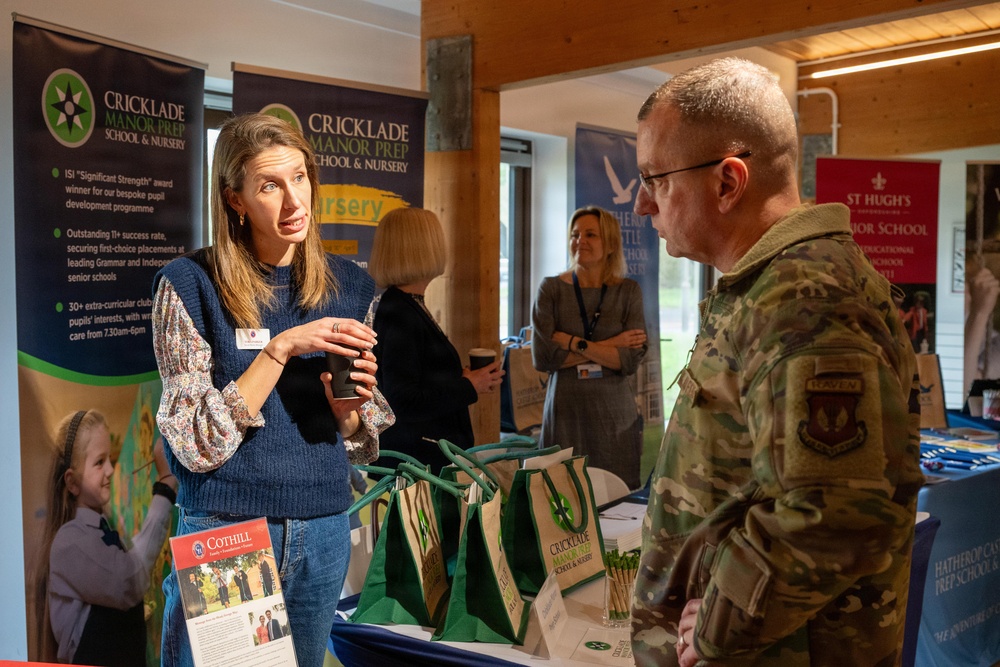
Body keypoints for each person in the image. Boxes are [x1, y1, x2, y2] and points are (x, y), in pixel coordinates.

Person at [630, 57, 922, 667]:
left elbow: (836, 510)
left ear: (728, 182)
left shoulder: (804, 300)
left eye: (655, 179)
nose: (642, 206)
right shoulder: (767, 288)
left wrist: (716, 622)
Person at [153, 113, 393, 667]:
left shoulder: (352, 286)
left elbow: (360, 437)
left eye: (300, 178)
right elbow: (194, 444)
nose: (294, 202)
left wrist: (351, 414)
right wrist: (278, 350)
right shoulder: (188, 286)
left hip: (326, 529)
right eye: (269, 185)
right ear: (235, 199)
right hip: (229, 530)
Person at [35, 410, 177, 665]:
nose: (111, 470)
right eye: (100, 462)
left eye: (109, 459)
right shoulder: (70, 541)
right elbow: (129, 581)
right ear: (72, 482)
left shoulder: (99, 533)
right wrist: (165, 487)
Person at [368, 207, 504, 473]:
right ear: (423, 246)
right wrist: (467, 385)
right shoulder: (401, 312)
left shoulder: (406, 305)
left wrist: (461, 379)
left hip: (423, 459)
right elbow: (404, 400)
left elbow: (417, 379)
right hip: (418, 464)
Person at [530, 206, 648, 489]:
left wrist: (572, 343)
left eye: (590, 234)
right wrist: (610, 346)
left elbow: (630, 359)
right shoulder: (551, 290)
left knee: (616, 501)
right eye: (574, 234)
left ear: (610, 244)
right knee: (559, 498)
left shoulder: (628, 291)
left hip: (614, 419)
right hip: (565, 415)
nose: (579, 240)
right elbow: (544, 357)